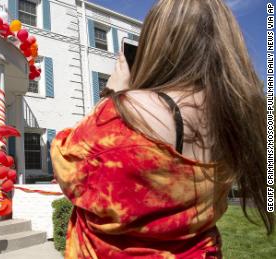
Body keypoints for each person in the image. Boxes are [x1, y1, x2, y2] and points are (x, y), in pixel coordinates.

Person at [50, 0, 273, 258]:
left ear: (157, 43)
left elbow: (68, 167)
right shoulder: (235, 117)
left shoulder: (125, 109)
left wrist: (113, 94)